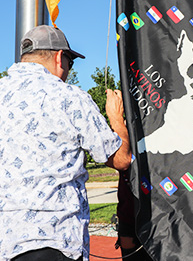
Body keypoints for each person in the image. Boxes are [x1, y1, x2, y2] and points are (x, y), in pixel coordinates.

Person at [0, 25, 132, 261]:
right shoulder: (70, 97)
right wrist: (116, 119)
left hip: (5, 242)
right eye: (71, 64)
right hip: (55, 240)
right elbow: (121, 159)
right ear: (61, 58)